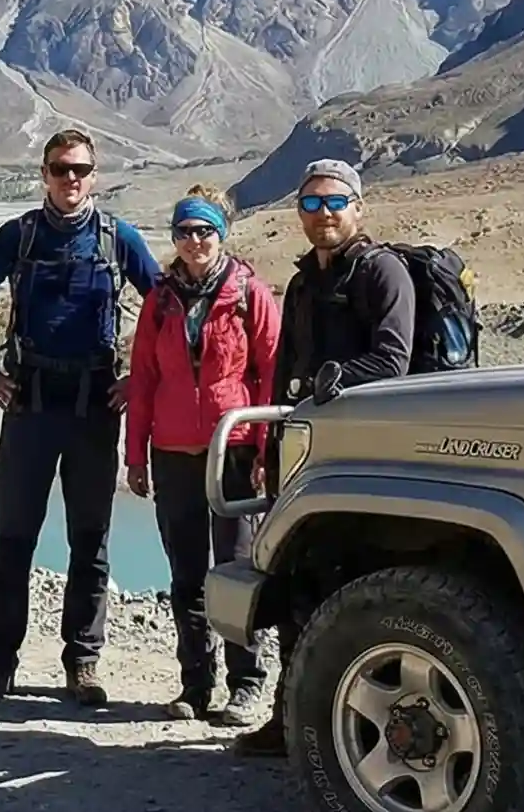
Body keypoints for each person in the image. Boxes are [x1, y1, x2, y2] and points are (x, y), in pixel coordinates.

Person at [0, 126, 161, 707]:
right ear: (43, 174)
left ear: (95, 176)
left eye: (80, 169)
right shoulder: (19, 236)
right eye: (59, 168)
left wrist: (138, 378)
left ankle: (83, 662)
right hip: (29, 404)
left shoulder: (118, 239)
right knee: (12, 537)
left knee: (89, 540)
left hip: (95, 405)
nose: (70, 179)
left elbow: (164, 305)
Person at [231, 158, 416, 758]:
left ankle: (353, 733)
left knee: (354, 591)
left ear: (359, 207)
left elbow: (394, 361)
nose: (323, 214)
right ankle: (291, 720)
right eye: (310, 205)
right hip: (303, 455)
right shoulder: (305, 279)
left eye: (334, 202)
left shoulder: (382, 272)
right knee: (297, 585)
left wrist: (334, 380)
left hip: (369, 463)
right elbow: (284, 368)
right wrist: (268, 444)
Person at [124, 185, 280, 724]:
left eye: (204, 231)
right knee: (186, 575)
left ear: (222, 234)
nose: (194, 242)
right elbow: (142, 379)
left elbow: (270, 373)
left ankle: (247, 682)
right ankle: (196, 685)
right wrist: (135, 454)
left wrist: (264, 445)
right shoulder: (160, 299)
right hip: (172, 452)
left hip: (232, 449)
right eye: (184, 232)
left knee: (236, 569)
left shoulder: (248, 293)